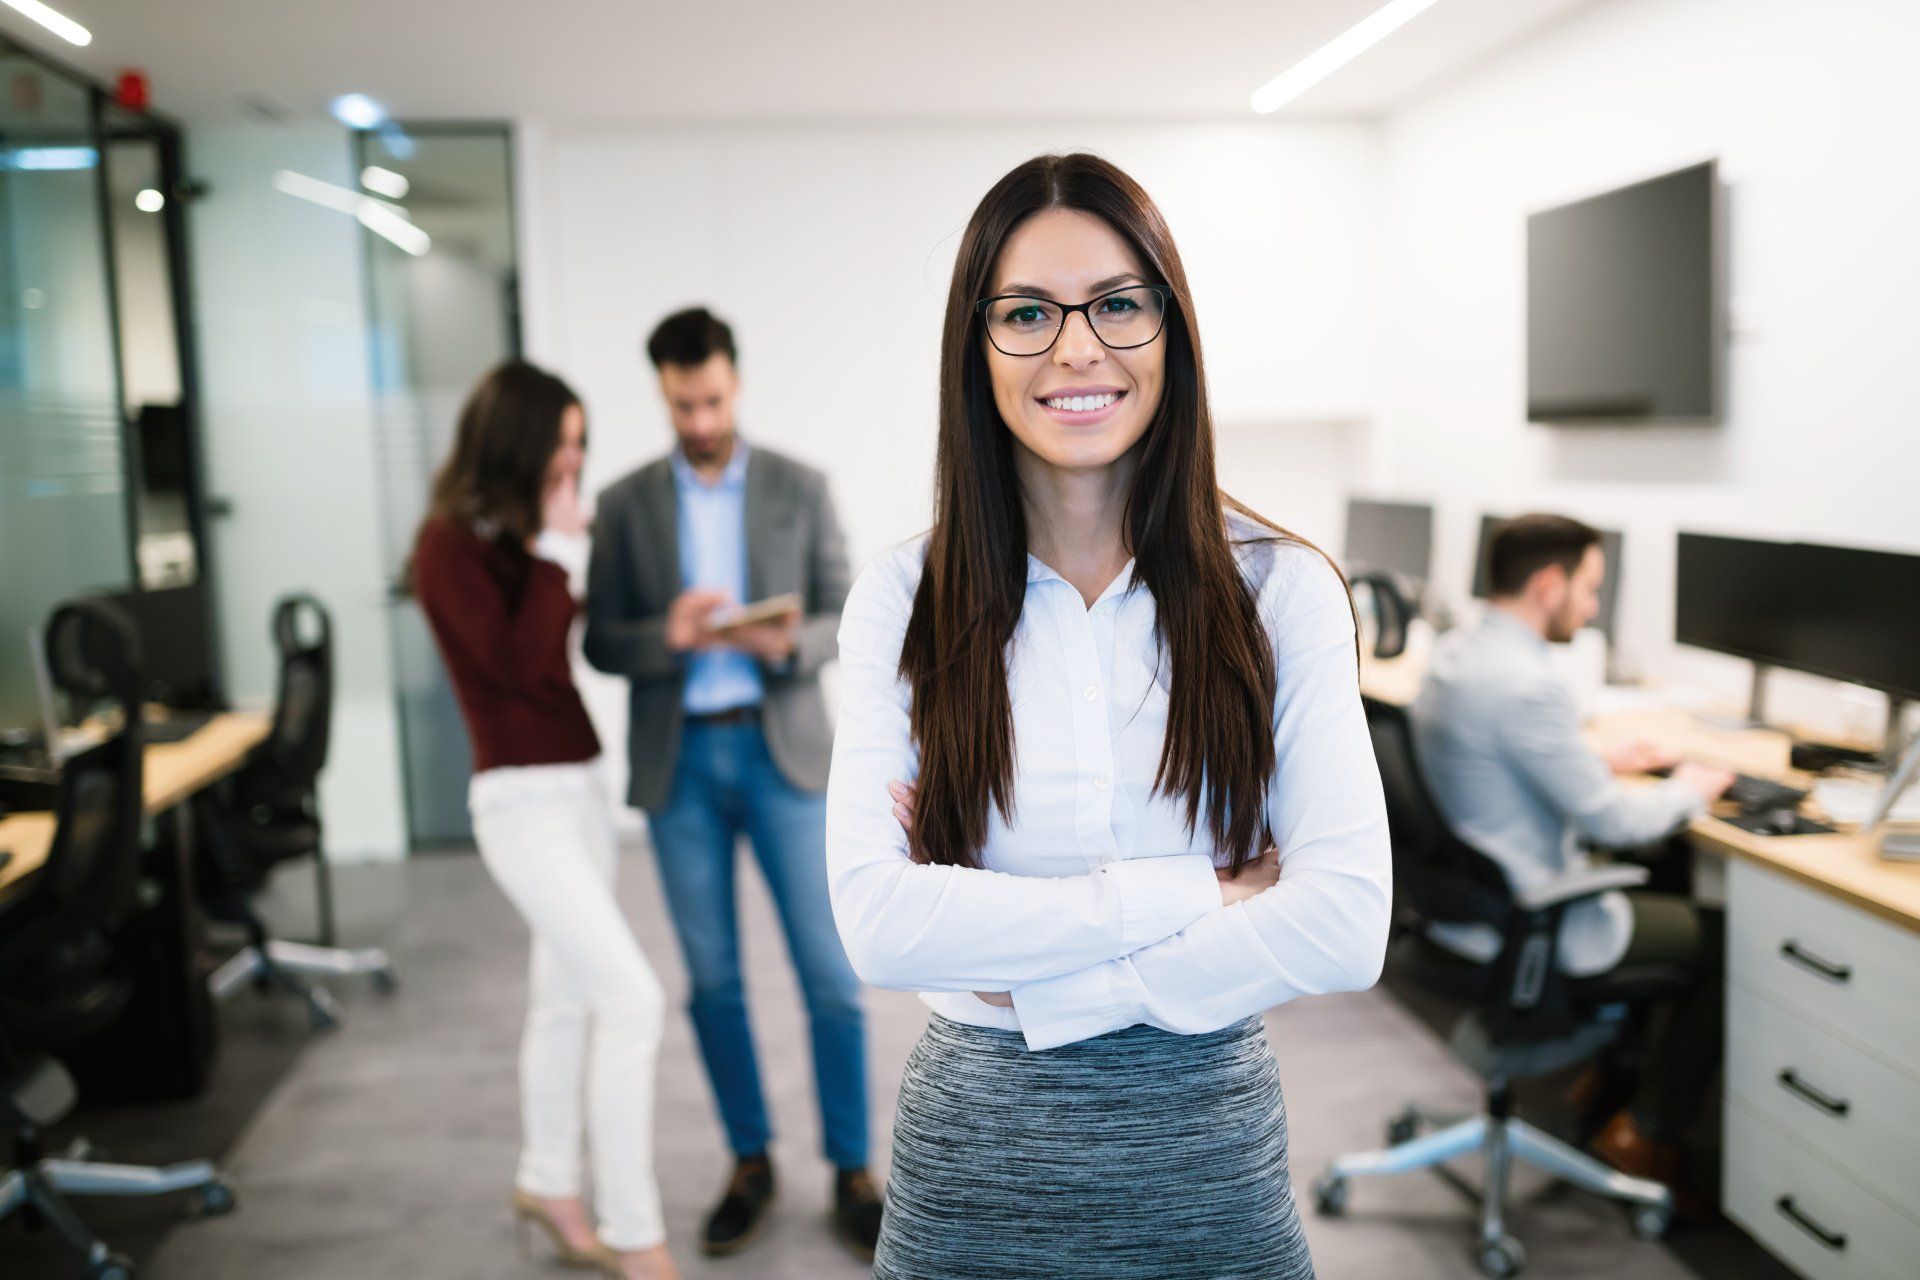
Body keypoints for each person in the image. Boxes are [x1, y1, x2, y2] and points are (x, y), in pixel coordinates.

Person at [825, 153, 1393, 1280]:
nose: (1077, 348)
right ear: (974, 346)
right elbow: (880, 923)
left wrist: (1042, 967)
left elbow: (1344, 922)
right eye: (1027, 312)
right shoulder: (904, 597)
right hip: (975, 1168)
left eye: (1118, 304)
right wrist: (1201, 891)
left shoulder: (1282, 591)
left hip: (1208, 1165)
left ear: (1170, 332)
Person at [582, 309, 880, 1260]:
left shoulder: (800, 485)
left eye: (711, 399)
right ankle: (750, 1160)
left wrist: (784, 639)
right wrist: (661, 635)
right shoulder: (627, 504)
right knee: (712, 984)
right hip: (682, 764)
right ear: (662, 392)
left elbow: (847, 612)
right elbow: (599, 639)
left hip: (782, 750)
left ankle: (851, 1167)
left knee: (831, 978)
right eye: (682, 403)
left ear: (735, 383)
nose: (700, 419)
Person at [411, 362, 678, 1280]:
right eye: (561, 446)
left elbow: (579, 662)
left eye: (580, 445)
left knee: (565, 999)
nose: (574, 463)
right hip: (519, 805)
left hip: (579, 788)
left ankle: (548, 1183)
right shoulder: (445, 547)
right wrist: (558, 553)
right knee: (631, 1000)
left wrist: (559, 551)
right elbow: (521, 669)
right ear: (518, 443)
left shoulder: (532, 540)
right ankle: (638, 1236)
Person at [1412, 512, 1734, 1191]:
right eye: (1590, 590)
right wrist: (1692, 789)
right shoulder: (1529, 682)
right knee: (1724, 940)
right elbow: (1614, 822)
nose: (1592, 609)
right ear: (1550, 585)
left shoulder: (1458, 653)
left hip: (1464, 901)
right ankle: (1647, 1132)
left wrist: (1594, 757)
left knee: (1669, 880)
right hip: (1531, 914)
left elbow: (1506, 757)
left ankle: (1603, 1086)